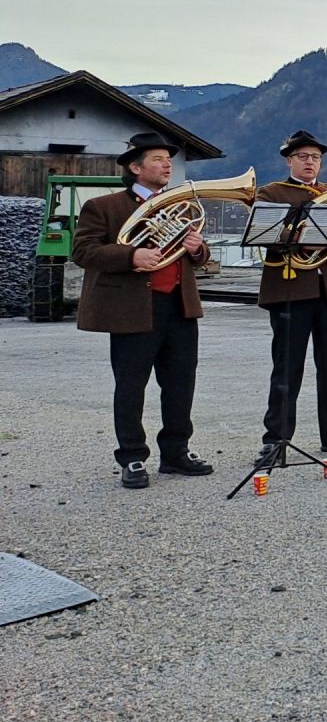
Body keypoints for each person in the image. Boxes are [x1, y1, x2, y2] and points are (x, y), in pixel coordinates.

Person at [71, 132, 214, 488]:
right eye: (157, 159)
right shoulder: (104, 207)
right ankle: (132, 457)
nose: (167, 164)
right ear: (135, 168)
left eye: (168, 159)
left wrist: (198, 249)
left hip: (179, 306)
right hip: (132, 306)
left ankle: (176, 452)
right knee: (131, 386)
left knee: (181, 383)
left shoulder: (179, 205)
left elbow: (198, 258)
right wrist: (131, 255)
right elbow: (83, 252)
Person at [254, 130, 327, 466]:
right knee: (287, 367)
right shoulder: (272, 192)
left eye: (315, 157)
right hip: (291, 289)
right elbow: (264, 230)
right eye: (303, 156)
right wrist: (298, 235)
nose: (310, 162)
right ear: (289, 160)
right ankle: (276, 439)